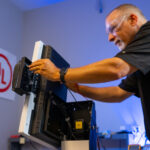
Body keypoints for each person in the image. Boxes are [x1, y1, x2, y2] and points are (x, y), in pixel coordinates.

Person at [29, 4, 150, 140]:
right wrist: (79, 89)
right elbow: (118, 93)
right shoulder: (140, 61)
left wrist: (58, 74)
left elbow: (117, 68)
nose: (110, 38)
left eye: (113, 28)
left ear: (133, 20)